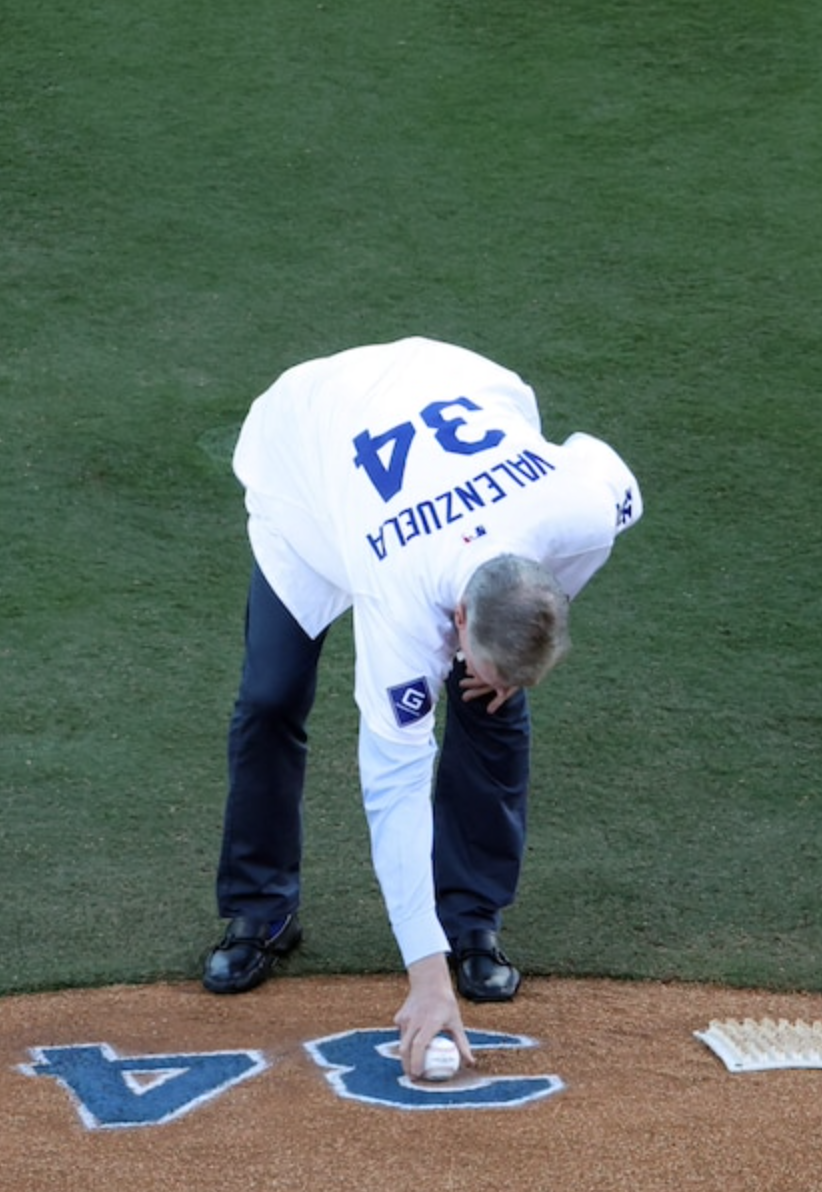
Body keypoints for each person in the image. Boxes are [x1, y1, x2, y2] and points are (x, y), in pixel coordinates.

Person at [203, 336, 641, 1080]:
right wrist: (423, 979)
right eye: (467, 652)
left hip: (451, 381)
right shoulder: (401, 603)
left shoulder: (578, 508)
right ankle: (261, 907)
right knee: (271, 695)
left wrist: (509, 666)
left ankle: (471, 921)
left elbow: (615, 482)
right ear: (456, 624)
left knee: (491, 704)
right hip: (308, 462)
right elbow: (393, 787)